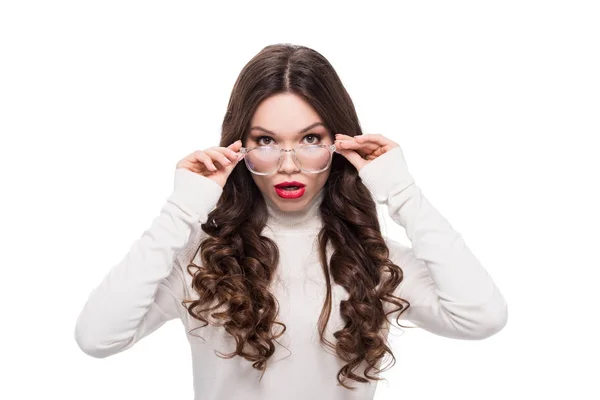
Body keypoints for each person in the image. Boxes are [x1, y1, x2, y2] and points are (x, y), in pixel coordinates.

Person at [74, 43, 508, 399]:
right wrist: (181, 209)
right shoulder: (202, 261)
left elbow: (481, 317)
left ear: (339, 144)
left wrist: (402, 192)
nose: (289, 164)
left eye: (310, 139)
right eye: (266, 141)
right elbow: (97, 338)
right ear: (238, 147)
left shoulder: (373, 261)